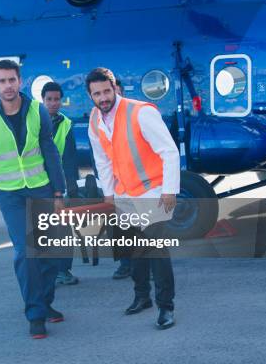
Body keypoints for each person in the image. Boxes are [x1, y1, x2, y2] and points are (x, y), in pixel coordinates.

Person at [0, 60, 67, 339]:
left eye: (12, 80)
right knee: (25, 252)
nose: (8, 86)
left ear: (19, 81)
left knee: (48, 251)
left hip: (41, 188)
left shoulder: (38, 110)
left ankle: (45, 303)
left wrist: (58, 192)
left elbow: (50, 151)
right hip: (9, 193)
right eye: (2, 81)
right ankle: (35, 314)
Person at [86, 67, 179, 330]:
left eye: (107, 91)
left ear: (115, 88)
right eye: (97, 94)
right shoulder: (95, 120)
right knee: (133, 252)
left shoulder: (141, 112)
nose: (103, 97)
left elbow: (169, 152)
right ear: (90, 96)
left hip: (153, 191)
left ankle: (166, 307)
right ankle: (142, 297)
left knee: (157, 252)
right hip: (124, 194)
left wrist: (169, 190)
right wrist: (109, 196)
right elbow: (102, 161)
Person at [41, 81, 80, 286]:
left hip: (61, 184)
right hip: (39, 182)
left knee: (64, 229)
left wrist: (71, 184)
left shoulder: (66, 124)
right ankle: (47, 272)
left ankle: (63, 270)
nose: (53, 103)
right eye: (49, 99)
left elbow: (71, 157)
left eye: (57, 99)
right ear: (43, 100)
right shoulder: (34, 121)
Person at [111, 78, 132, 280]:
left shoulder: (134, 116)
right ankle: (125, 265)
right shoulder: (100, 121)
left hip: (139, 186)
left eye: (116, 92)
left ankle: (149, 268)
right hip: (117, 187)